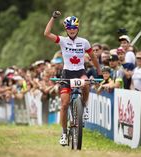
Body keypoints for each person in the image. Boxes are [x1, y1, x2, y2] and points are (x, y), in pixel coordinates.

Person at [44, 11, 102, 146]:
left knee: (86, 84)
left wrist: (99, 71)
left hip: (80, 71)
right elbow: (46, 34)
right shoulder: (63, 41)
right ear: (66, 29)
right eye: (69, 28)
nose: (72, 30)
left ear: (78, 28)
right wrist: (53, 18)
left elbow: (93, 57)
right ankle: (64, 133)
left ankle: (84, 107)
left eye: (74, 28)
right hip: (67, 73)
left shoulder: (84, 42)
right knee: (64, 104)